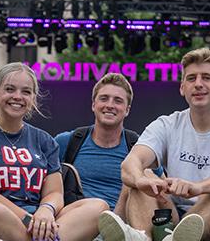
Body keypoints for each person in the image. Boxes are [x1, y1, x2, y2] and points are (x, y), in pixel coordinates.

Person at [100, 48, 210, 241]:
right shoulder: (167, 124)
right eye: (191, 78)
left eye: (206, 77)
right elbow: (130, 163)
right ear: (182, 87)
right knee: (142, 176)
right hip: (179, 218)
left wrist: (198, 187)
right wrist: (142, 180)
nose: (198, 84)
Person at [0, 62, 108, 241]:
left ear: (34, 98)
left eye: (26, 92)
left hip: (41, 216)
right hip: (1, 216)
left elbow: (54, 193)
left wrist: (46, 210)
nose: (17, 97)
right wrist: (29, 220)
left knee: (99, 207)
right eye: (10, 89)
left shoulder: (44, 140)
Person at [55, 73, 160, 217]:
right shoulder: (67, 141)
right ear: (93, 105)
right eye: (104, 99)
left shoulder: (140, 147)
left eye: (118, 101)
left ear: (127, 110)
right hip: (78, 222)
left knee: (145, 175)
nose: (110, 105)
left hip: (125, 223)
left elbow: (161, 190)